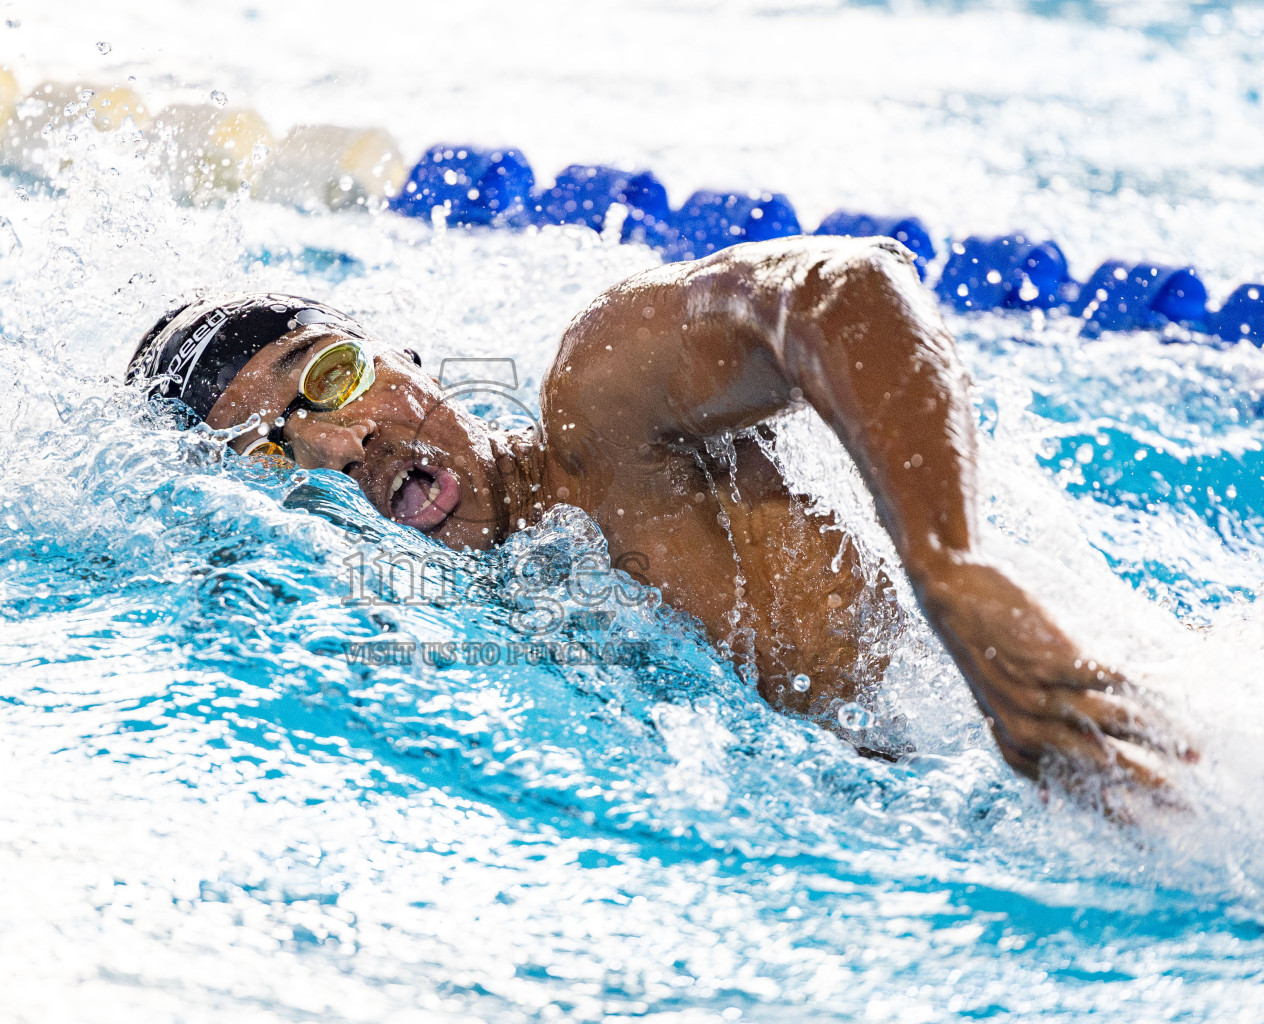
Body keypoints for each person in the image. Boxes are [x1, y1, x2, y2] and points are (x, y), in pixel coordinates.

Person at [126, 235, 1194, 809]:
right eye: (273, 451)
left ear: (400, 353)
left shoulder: (599, 411)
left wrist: (945, 562)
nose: (340, 443)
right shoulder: (461, 625)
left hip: (1074, 725)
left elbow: (847, 285)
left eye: (332, 377)